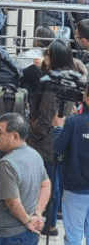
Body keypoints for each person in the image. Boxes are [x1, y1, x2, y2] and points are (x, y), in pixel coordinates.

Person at [28, 40, 87, 237]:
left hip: (46, 141)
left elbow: (46, 117)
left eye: (47, 55)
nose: (45, 59)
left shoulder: (54, 86)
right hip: (59, 136)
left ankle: (50, 223)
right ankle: (55, 217)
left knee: (51, 181)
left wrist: (33, 132)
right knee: (57, 179)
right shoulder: (72, 78)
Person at [0, 113, 51, 245]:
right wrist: (38, 212)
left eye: (0, 133)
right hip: (23, 235)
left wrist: (29, 221)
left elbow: (13, 203)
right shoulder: (34, 154)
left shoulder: (7, 165)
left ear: (15, 136)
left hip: (7, 238)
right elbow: (46, 184)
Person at [53, 82, 89, 245]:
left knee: (73, 237)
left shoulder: (73, 122)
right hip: (77, 189)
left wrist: (59, 128)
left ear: (86, 97)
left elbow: (57, 149)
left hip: (76, 190)